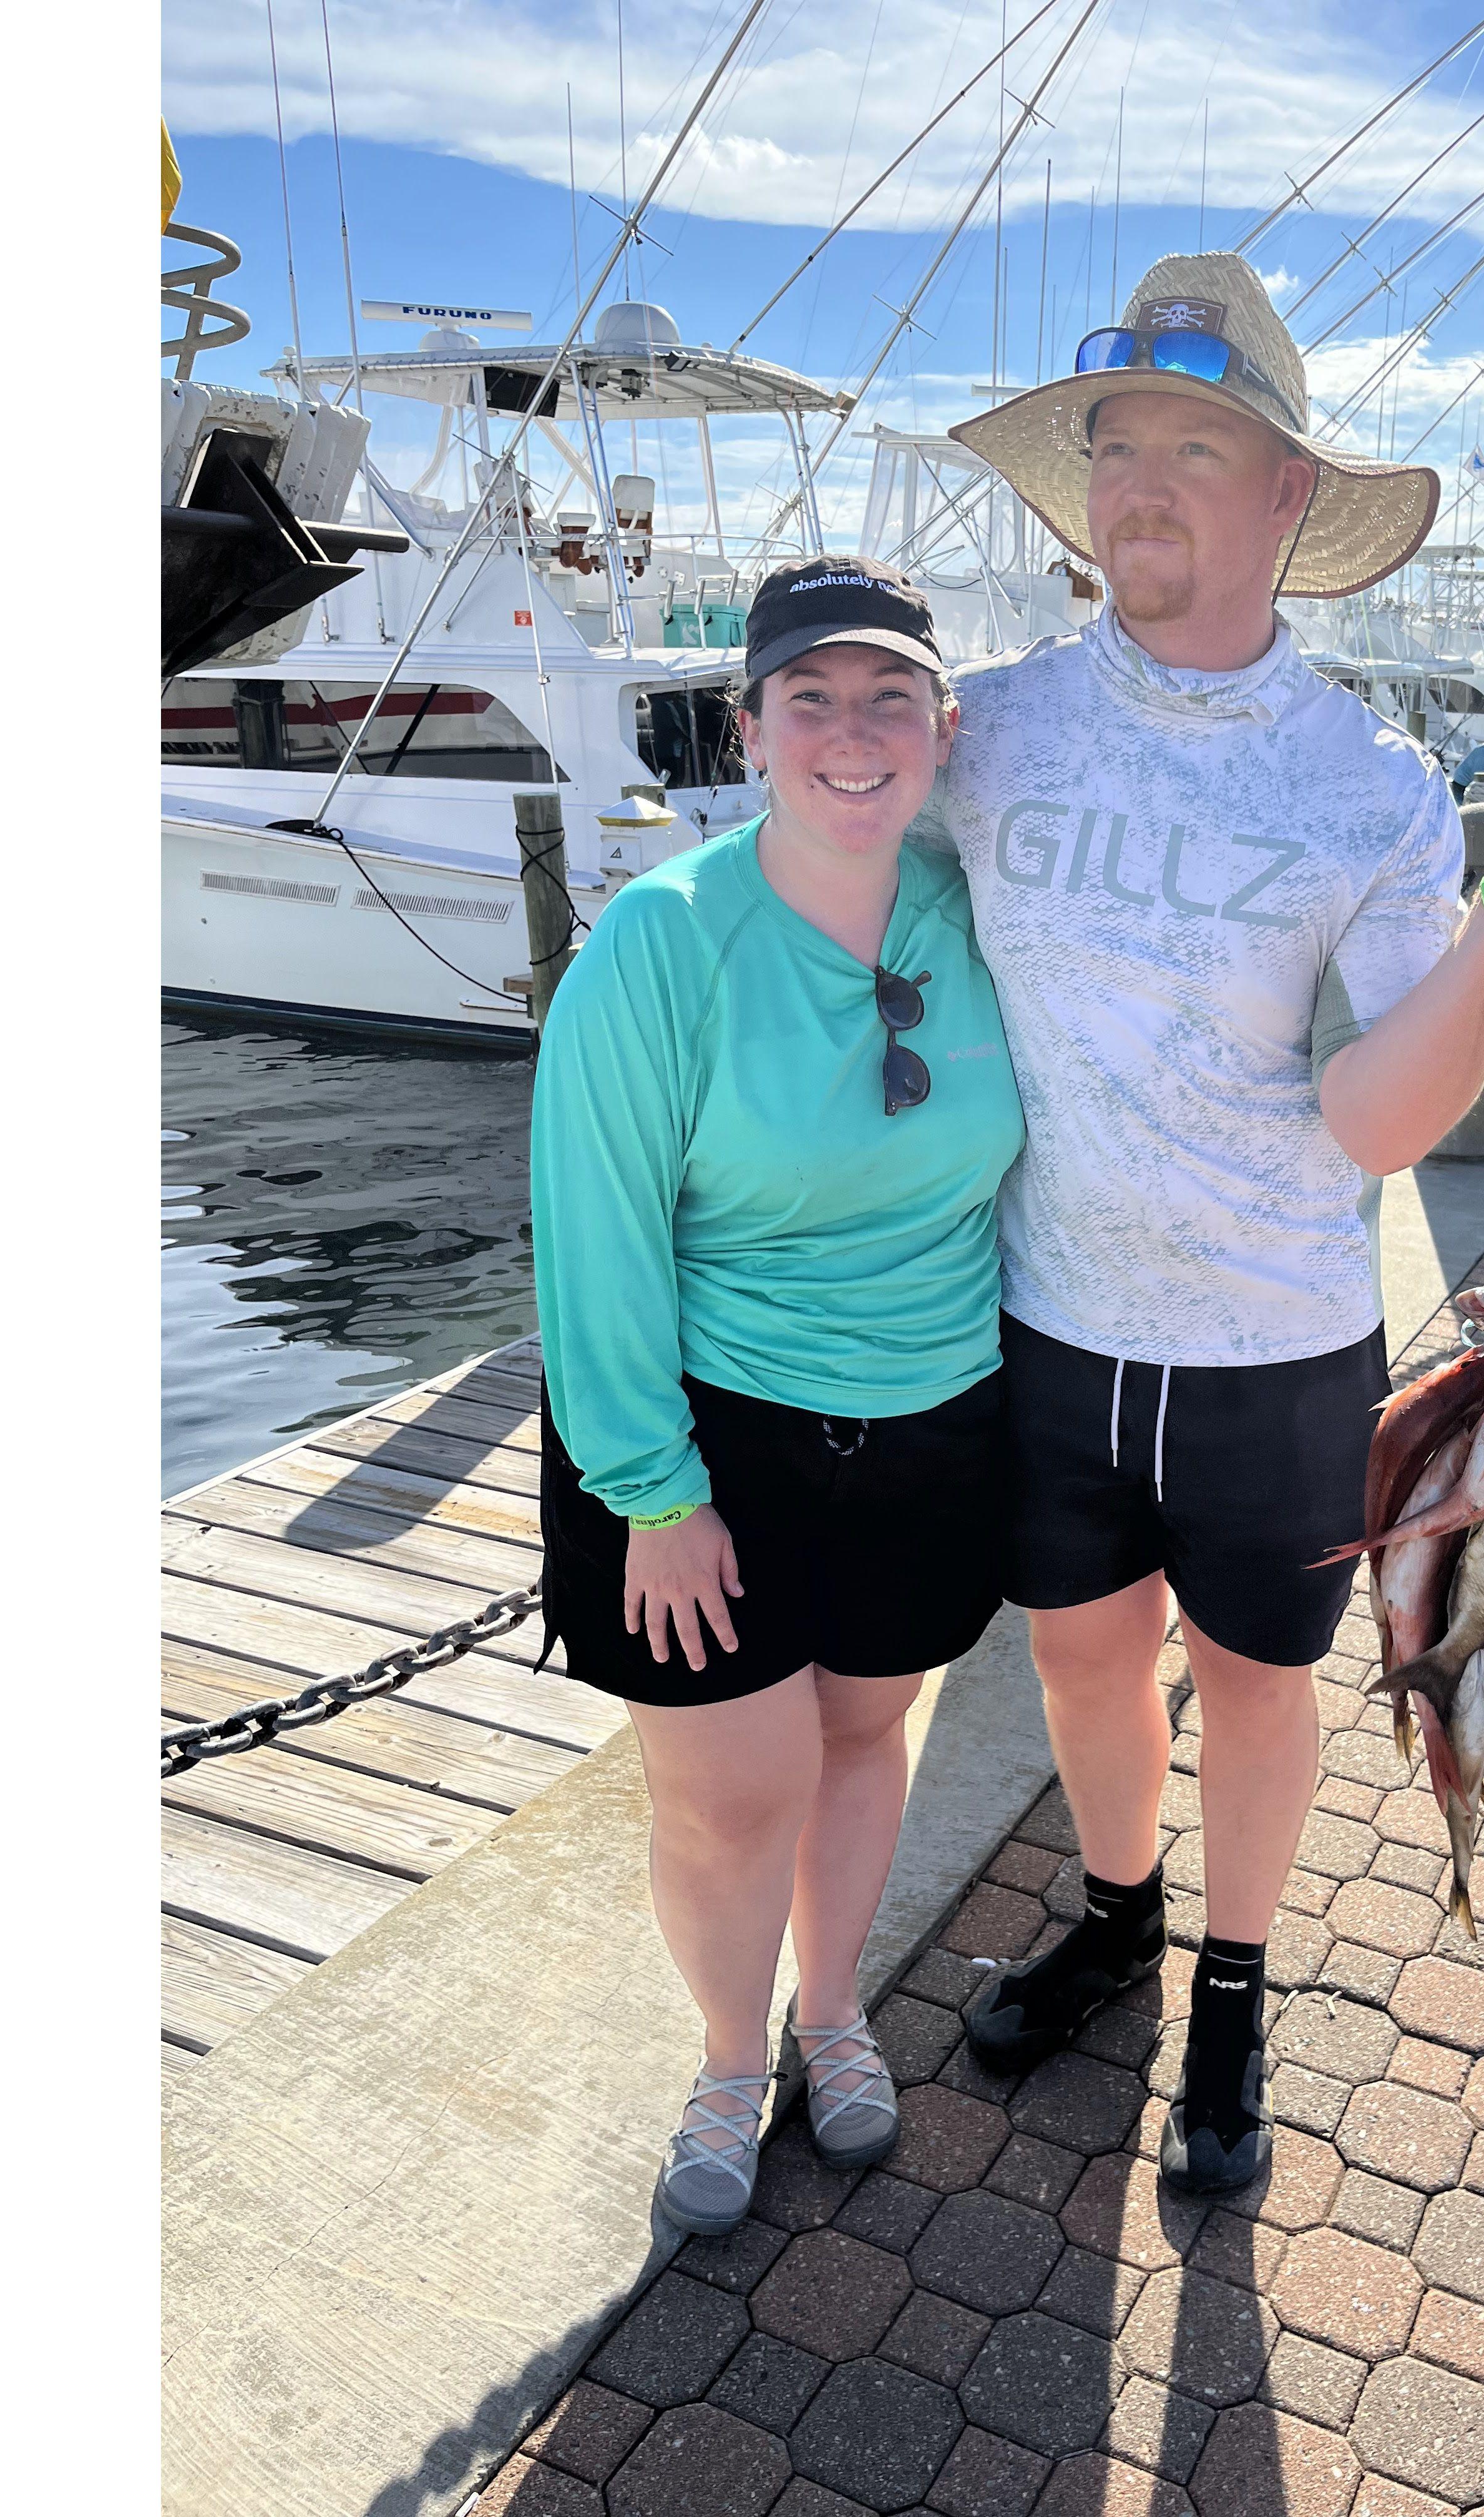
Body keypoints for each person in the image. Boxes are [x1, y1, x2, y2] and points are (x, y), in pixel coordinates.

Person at [932, 254, 1484, 2195]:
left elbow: (1372, 1117)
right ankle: (1119, 1911)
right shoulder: (980, 733)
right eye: (1113, 446)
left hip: (1274, 1348)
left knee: (1254, 1684)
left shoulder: (1371, 786)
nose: (1141, 482)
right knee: (1083, 1665)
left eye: (1194, 445)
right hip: (1050, 1326)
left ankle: (1232, 1994)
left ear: (1282, 504)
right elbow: (828, 915)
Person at [528, 556, 1027, 2237]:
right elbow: (592, 1233)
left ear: (944, 730)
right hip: (709, 1434)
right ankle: (734, 2058)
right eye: (809, 698)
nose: (853, 731)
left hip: (937, 1416)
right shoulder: (662, 943)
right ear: (750, 732)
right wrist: (652, 1494)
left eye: (892, 696)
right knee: (731, 1791)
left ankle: (837, 2013)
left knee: (866, 1731)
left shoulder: (984, 922)